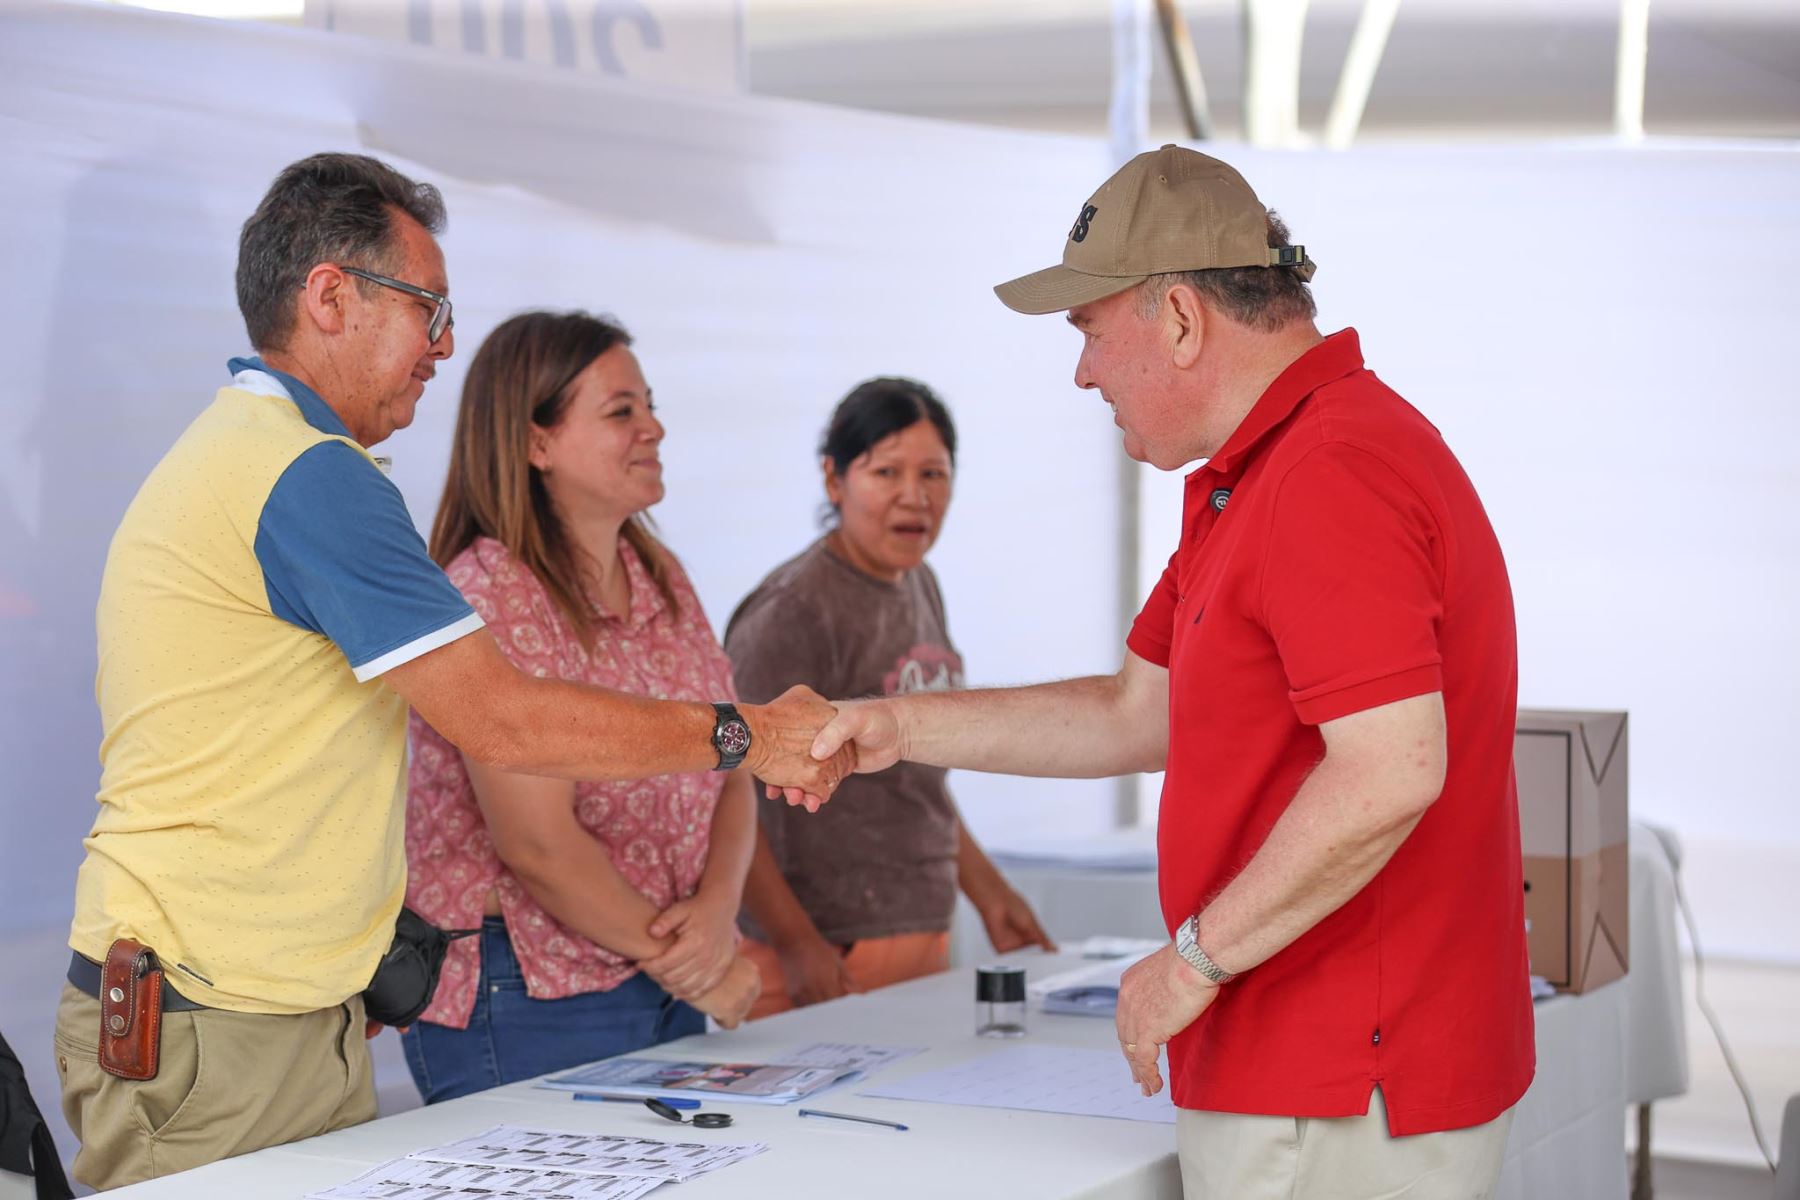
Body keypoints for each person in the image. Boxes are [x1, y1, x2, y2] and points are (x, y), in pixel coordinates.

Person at [54, 153, 847, 1190]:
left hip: (265, 1012)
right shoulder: (307, 478)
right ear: (330, 297)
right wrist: (744, 733)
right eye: (425, 306)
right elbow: (504, 723)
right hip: (228, 1014)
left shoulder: (271, 458)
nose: (445, 343)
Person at [805, 145, 1533, 1199]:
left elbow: (1390, 769)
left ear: (1181, 317)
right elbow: (1133, 711)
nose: (1083, 372)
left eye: (1092, 333)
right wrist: (895, 728)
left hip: (1337, 1076)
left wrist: (1191, 960)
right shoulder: (1269, 469)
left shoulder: (1328, 473)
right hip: (1314, 1067)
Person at [402, 311, 759, 1102]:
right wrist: (693, 961)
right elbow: (537, 844)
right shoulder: (490, 590)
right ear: (535, 444)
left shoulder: (657, 570)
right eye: (621, 410)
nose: (654, 427)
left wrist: (716, 914)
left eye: (650, 404)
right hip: (534, 995)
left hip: (667, 973)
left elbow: (734, 759)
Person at [725, 378, 1053, 1017]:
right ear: (834, 479)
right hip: (823, 948)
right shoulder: (794, 609)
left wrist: (990, 895)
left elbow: (915, 777)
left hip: (917, 924)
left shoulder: (919, 583)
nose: (914, 496)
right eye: (886, 472)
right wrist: (797, 944)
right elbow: (728, 788)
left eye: (934, 473)